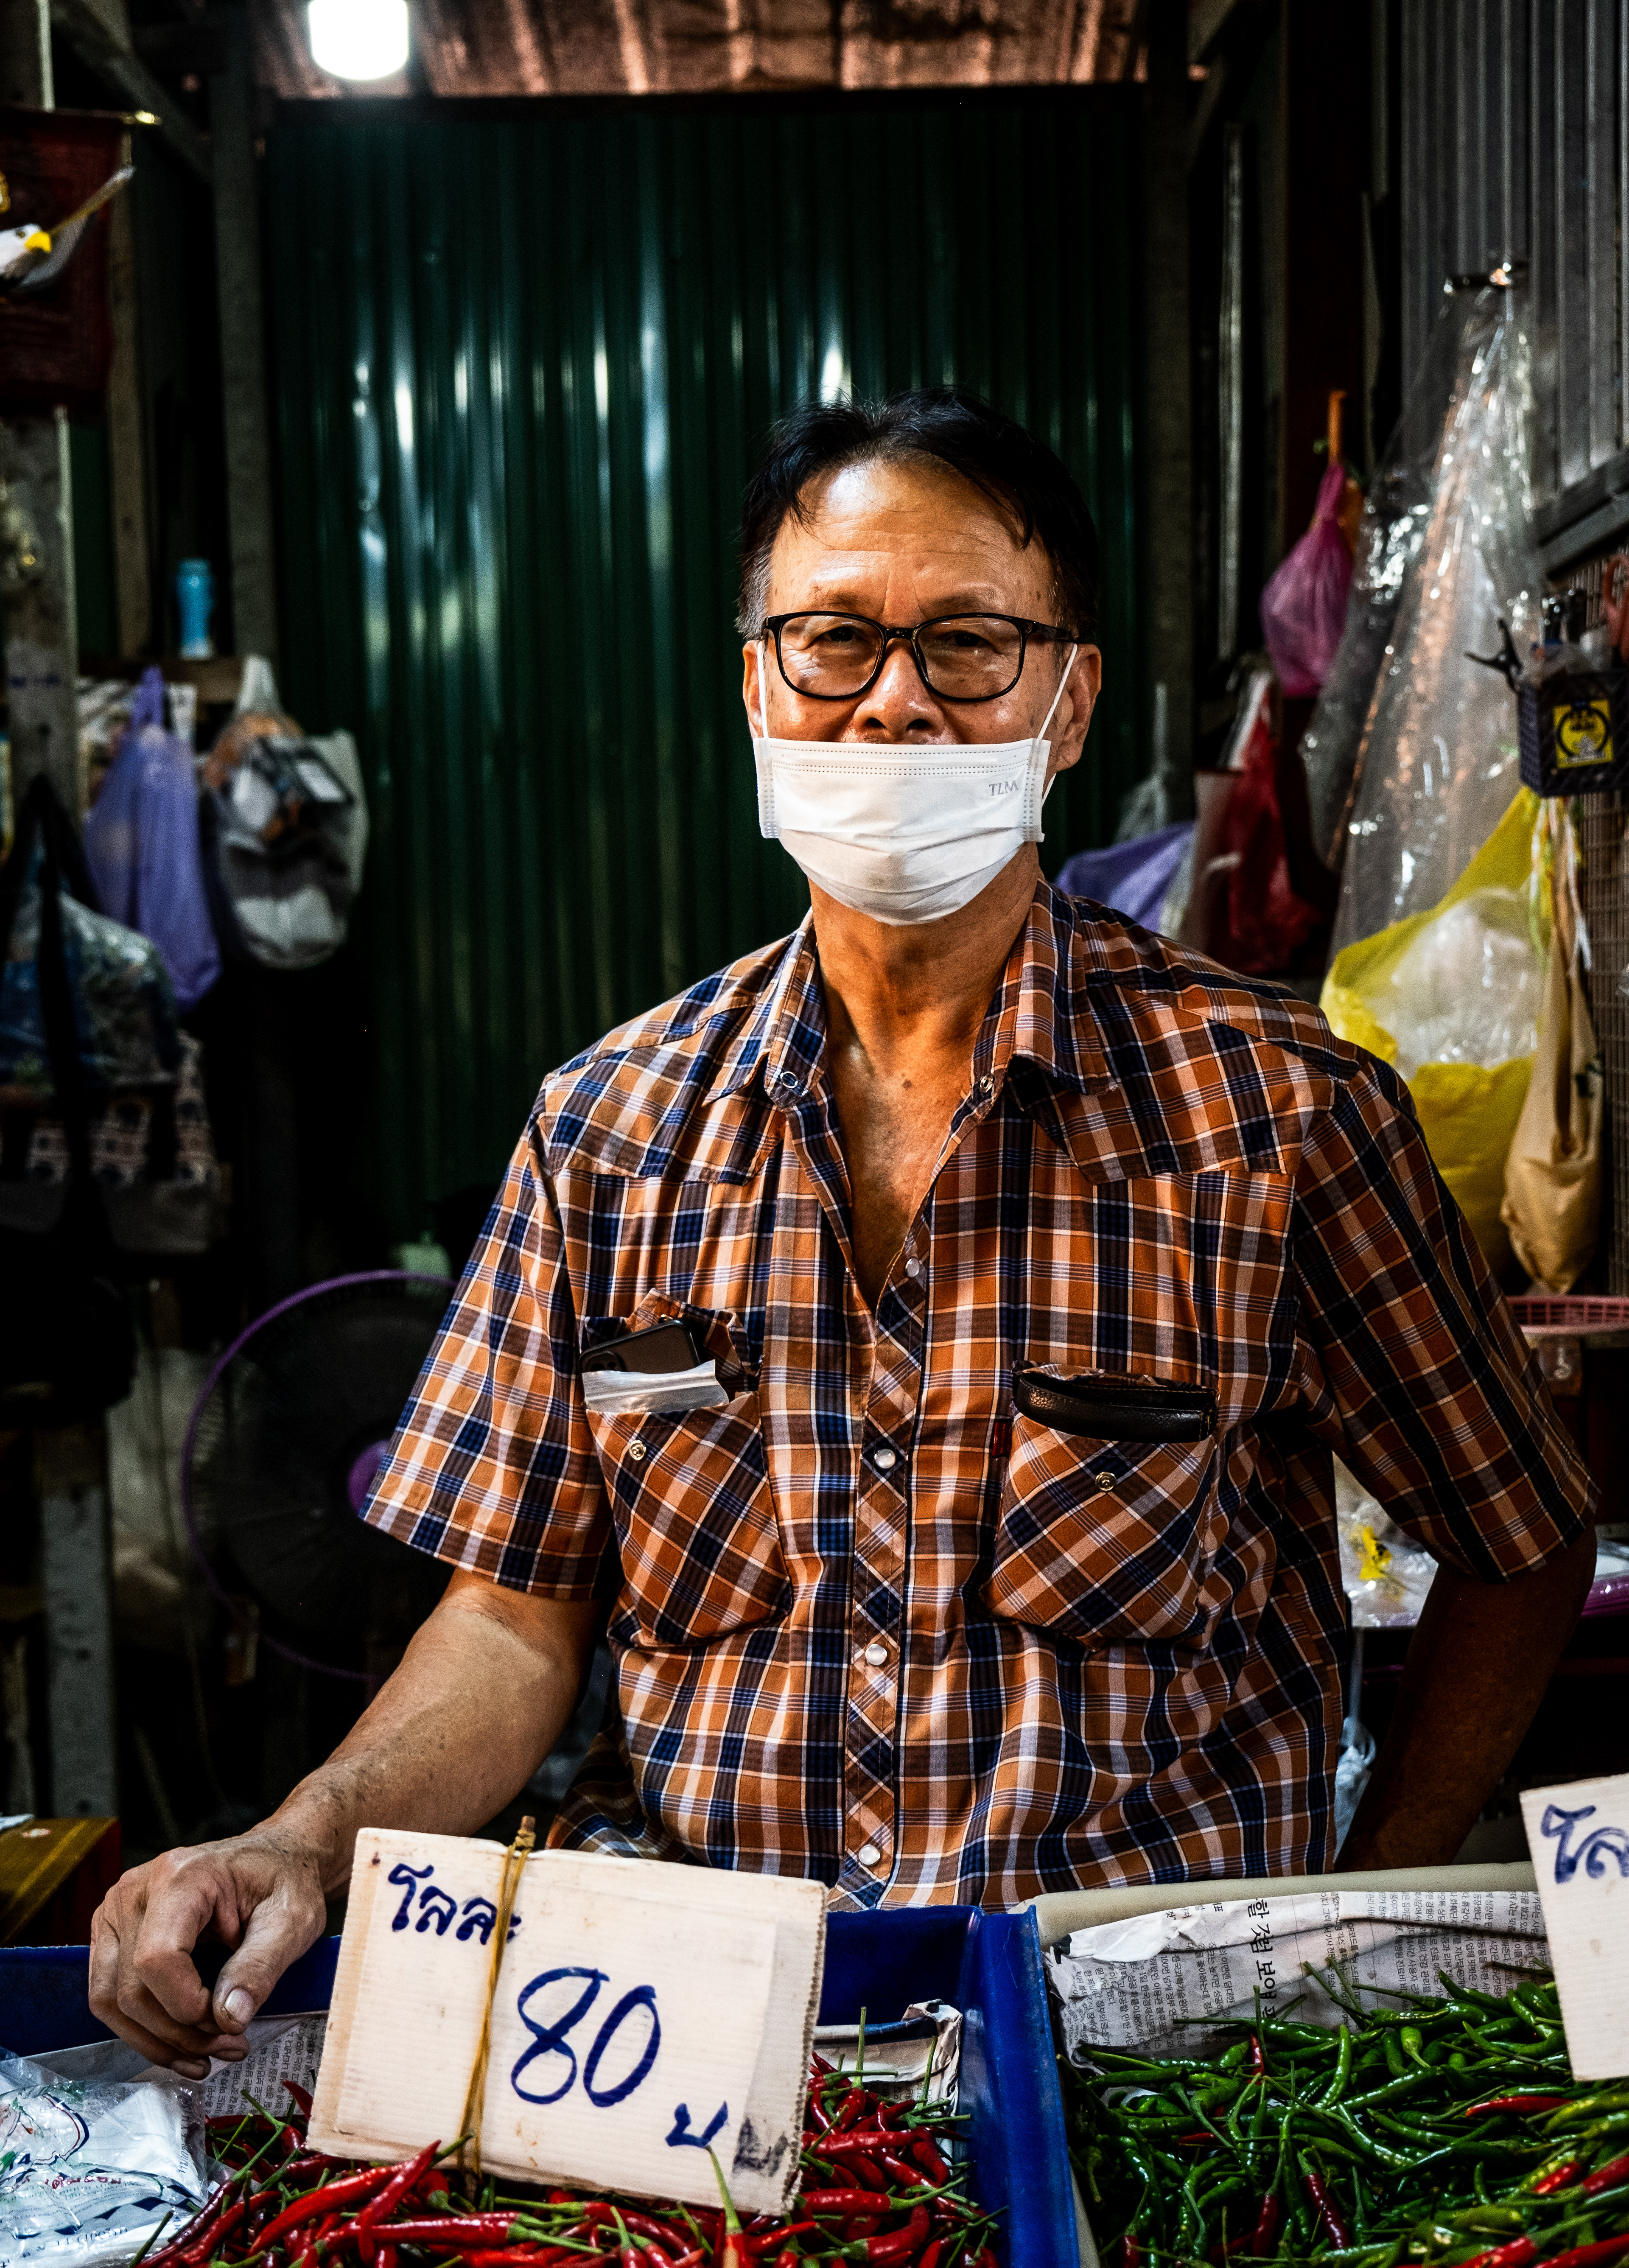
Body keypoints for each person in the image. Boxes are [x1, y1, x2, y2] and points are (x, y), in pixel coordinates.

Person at [90, 390, 1595, 2077]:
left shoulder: (1279, 1114)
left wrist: (1372, 1900)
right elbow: (514, 1620)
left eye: (970, 644)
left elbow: (1517, 1538)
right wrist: (306, 1832)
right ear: (756, 683)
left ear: (1070, 696)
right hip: (681, 2048)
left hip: (1147, 2061)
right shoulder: (610, 1132)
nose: (894, 701)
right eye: (832, 641)